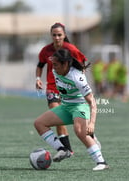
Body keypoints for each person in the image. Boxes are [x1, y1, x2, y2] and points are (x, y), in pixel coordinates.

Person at [34, 49, 109, 171]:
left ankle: (101, 162)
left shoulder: (77, 77)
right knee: (39, 123)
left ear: (65, 64)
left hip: (80, 106)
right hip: (66, 106)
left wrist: (92, 123)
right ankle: (63, 150)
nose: (54, 67)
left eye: (56, 64)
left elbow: (92, 101)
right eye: (53, 64)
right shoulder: (55, 71)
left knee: (79, 131)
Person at [35, 23, 88, 153]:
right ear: (51, 36)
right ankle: (66, 149)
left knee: (74, 118)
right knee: (57, 115)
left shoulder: (71, 49)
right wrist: (38, 79)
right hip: (52, 88)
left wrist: (79, 81)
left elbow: (83, 64)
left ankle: (90, 137)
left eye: (59, 35)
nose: (57, 37)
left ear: (64, 35)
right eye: (54, 35)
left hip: (69, 89)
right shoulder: (45, 50)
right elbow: (40, 65)